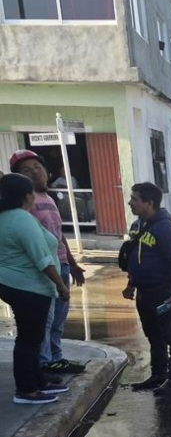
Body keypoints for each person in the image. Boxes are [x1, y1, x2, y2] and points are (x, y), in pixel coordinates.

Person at [9, 150, 87, 375]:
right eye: (27, 170)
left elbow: (58, 235)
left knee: (58, 320)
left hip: (61, 264)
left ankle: (56, 358)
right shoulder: (24, 204)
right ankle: (44, 364)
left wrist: (72, 264)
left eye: (37, 167)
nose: (35, 172)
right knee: (44, 320)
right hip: (44, 269)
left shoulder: (49, 199)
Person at [0, 173, 72, 404]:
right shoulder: (21, 219)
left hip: (15, 284)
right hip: (27, 286)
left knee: (32, 337)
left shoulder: (6, 217)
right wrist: (61, 285)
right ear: (26, 195)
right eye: (32, 192)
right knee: (29, 340)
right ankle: (26, 390)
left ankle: (39, 381)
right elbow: (42, 259)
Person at [124, 182, 171, 395]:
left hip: (164, 293)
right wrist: (131, 284)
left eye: (134, 199)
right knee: (153, 336)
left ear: (149, 203)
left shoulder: (165, 228)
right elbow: (135, 258)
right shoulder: (137, 226)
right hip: (144, 293)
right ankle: (158, 374)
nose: (130, 203)